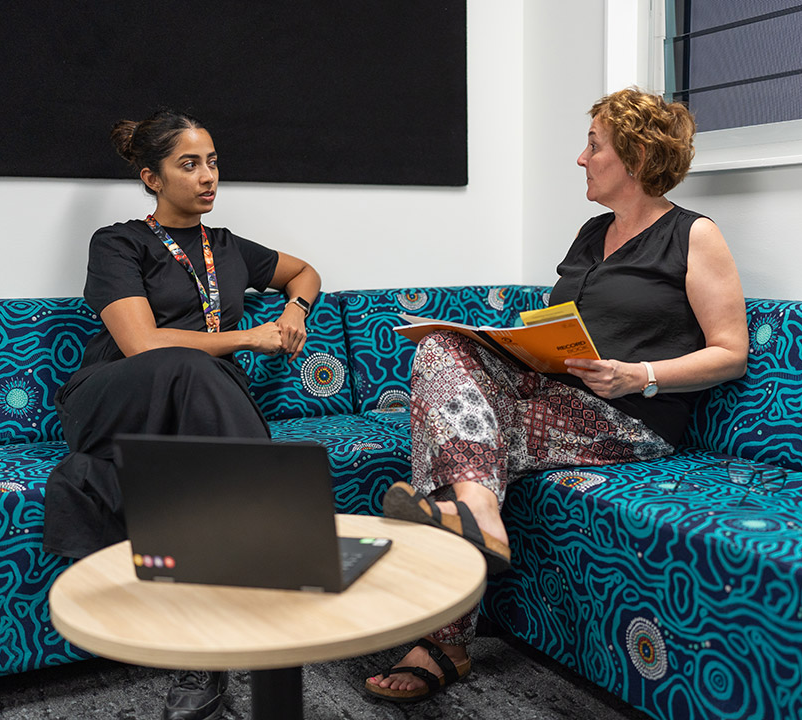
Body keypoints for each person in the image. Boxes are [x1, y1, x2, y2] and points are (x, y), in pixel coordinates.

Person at [365, 87, 748, 702]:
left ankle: (446, 633)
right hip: (554, 397)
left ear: (637, 157)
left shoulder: (694, 235)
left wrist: (639, 375)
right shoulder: (591, 232)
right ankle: (476, 516)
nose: (580, 158)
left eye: (593, 145)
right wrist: (519, 346)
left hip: (627, 418)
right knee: (439, 349)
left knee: (459, 446)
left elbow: (730, 353)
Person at [42, 109, 321, 720]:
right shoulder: (119, 242)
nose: (207, 177)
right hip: (112, 397)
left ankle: (206, 652)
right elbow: (144, 345)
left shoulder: (230, 248)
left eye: (213, 162)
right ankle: (289, 546)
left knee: (188, 443)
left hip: (192, 411)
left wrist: (295, 311)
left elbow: (305, 272)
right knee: (187, 365)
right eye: (188, 164)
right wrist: (251, 338)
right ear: (151, 177)